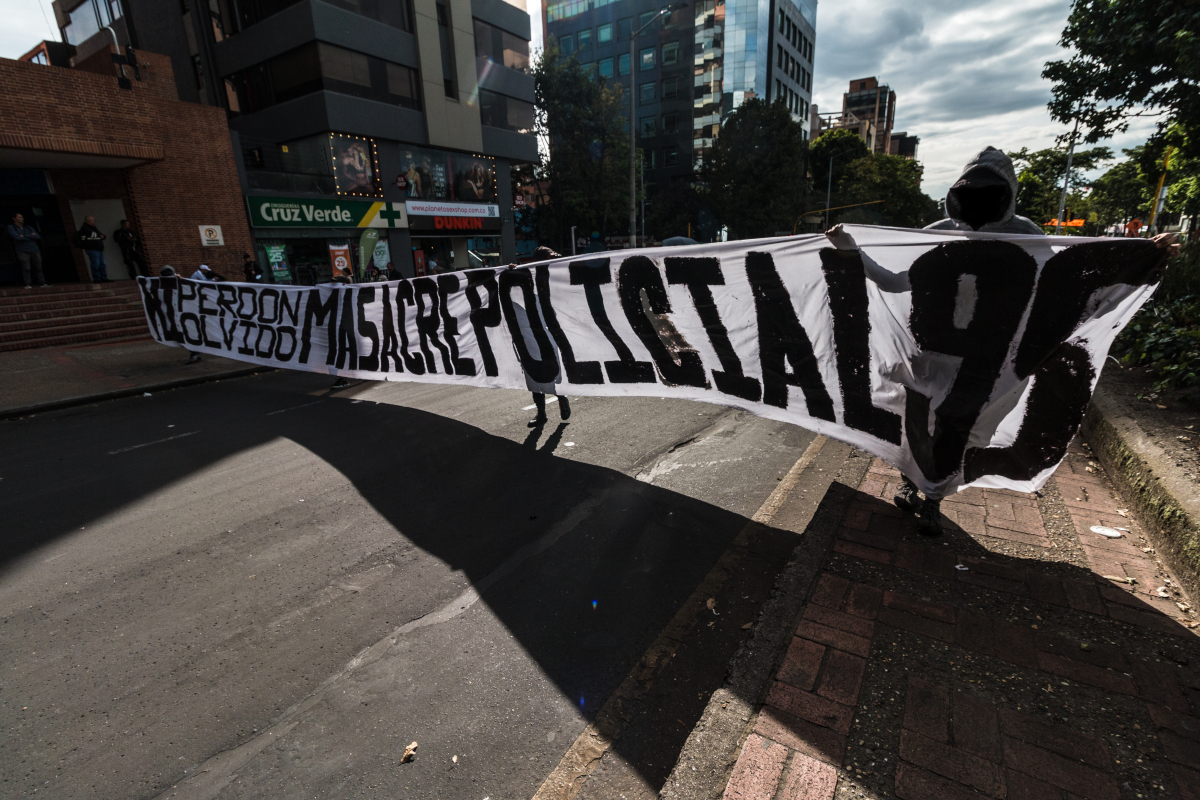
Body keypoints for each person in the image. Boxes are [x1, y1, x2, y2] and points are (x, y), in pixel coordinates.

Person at [508, 245, 572, 427]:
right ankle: (541, 414)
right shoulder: (527, 276)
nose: (552, 261)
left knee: (551, 371)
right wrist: (512, 272)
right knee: (533, 375)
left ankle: (561, 397)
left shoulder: (554, 276)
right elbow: (509, 288)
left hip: (547, 333)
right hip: (529, 332)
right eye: (549, 258)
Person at [161, 266, 203, 365]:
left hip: (185, 313)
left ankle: (195, 353)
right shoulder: (163, 284)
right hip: (175, 313)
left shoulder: (180, 281)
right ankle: (195, 353)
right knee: (182, 334)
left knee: (188, 333)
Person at [7, 213, 49, 288]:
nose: (22, 218)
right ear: (14, 218)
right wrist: (30, 237)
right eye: (20, 217)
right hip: (22, 250)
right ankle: (27, 284)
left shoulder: (28, 227)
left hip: (34, 249)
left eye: (22, 217)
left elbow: (37, 236)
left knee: (38, 267)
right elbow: (17, 237)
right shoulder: (11, 227)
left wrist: (25, 236)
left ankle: (42, 283)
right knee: (26, 268)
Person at [77, 215, 108, 282]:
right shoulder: (85, 229)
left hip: (99, 249)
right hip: (92, 249)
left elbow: (101, 235)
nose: (94, 222)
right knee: (95, 264)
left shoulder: (94, 228)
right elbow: (83, 239)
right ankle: (97, 279)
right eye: (93, 220)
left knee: (102, 264)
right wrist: (89, 245)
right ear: (88, 221)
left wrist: (103, 236)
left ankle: (104, 278)